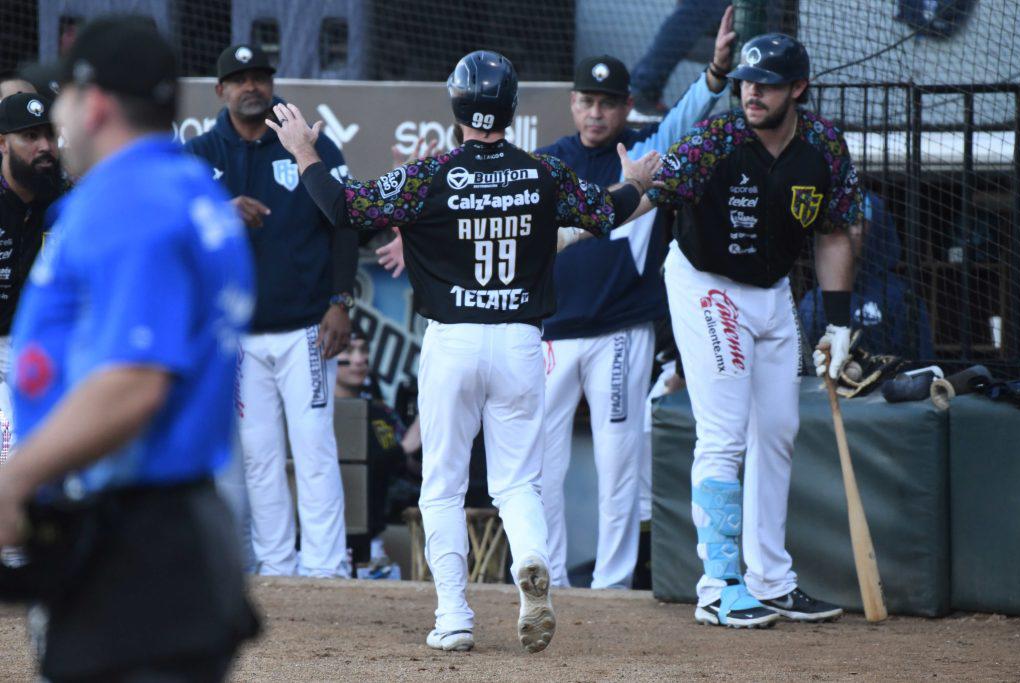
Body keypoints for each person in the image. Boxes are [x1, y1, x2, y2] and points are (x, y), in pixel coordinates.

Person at [267, 50, 663, 653]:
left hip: (452, 341)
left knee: (443, 486)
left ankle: (453, 616)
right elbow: (608, 213)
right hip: (522, 341)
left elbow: (344, 208)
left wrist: (303, 150)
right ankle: (531, 559)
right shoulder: (542, 172)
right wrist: (637, 181)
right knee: (518, 482)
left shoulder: (431, 175)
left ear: (455, 106)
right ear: (511, 107)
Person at [0, 15, 258, 681]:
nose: (57, 119)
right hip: (165, 534)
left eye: (61, 99)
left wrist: (15, 479)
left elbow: (134, 382)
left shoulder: (129, 202)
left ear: (94, 104)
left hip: (135, 551)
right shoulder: (187, 188)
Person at [644, 33, 858, 627]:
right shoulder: (717, 138)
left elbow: (834, 231)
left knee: (780, 430)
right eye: (745, 82)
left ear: (798, 88)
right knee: (723, 435)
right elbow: (651, 193)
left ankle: (770, 579)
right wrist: (587, 220)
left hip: (771, 291)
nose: (752, 92)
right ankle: (718, 586)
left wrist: (839, 323)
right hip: (705, 282)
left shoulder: (823, 145)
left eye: (766, 83)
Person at [533, 7, 735, 591]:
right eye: (586, 101)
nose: (596, 113)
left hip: (620, 330)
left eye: (607, 103)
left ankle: (614, 584)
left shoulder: (646, 152)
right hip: (552, 332)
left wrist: (715, 76)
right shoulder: (547, 162)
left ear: (626, 107)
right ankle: (548, 580)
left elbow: (687, 118)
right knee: (543, 463)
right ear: (572, 103)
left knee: (618, 461)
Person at [185, 43, 359, 579]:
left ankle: (326, 569)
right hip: (238, 336)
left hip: (307, 327)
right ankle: (277, 568)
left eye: (259, 76)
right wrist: (220, 212)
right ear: (220, 90)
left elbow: (345, 222)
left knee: (314, 449)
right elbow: (175, 234)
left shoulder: (307, 142)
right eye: (239, 79)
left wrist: (340, 301)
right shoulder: (198, 154)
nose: (251, 86)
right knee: (259, 458)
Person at [0, 93, 65, 458]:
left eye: (50, 135)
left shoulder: (68, 201)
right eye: (30, 136)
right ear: (2, 143)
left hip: (43, 348)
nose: (45, 147)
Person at [800, 191, 934, 360]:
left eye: (856, 222)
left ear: (875, 228)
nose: (851, 232)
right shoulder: (813, 301)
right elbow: (802, 363)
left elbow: (919, 362)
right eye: (841, 224)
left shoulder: (899, 298)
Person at [333, 331, 422, 567]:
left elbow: (407, 470)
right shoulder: (316, 413)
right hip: (325, 538)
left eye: (364, 350)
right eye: (349, 351)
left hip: (372, 538)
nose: (359, 359)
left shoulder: (382, 413)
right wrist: (403, 448)